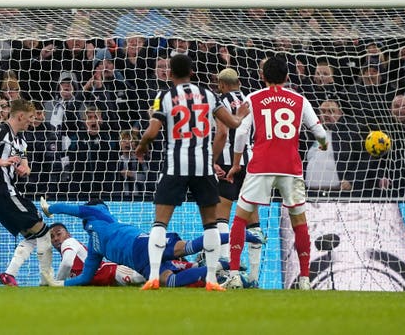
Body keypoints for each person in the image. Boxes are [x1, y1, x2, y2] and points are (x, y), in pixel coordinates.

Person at [134, 54, 250, 291]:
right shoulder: (209, 95)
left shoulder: (163, 97)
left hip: (175, 166)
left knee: (160, 223)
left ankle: (154, 277)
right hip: (203, 167)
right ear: (192, 72)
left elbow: (152, 130)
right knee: (210, 224)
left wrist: (142, 145)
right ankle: (210, 280)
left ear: (170, 74)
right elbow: (232, 125)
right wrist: (242, 114)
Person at [222, 56, 328, 290]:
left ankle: (234, 274)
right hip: (290, 167)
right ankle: (304, 279)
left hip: (261, 165)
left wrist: (237, 163)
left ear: (263, 76)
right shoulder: (300, 100)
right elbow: (319, 132)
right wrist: (323, 144)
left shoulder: (253, 98)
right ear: (287, 76)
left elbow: (240, 135)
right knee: (298, 220)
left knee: (241, 217)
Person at [39, 199, 264, 287]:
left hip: (142, 248)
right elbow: (86, 277)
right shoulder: (95, 239)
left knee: (186, 253)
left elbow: (74, 210)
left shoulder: (98, 220)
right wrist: (57, 284)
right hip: (142, 256)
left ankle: (244, 240)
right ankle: (221, 264)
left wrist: (51, 209)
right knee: (176, 271)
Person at [0, 99, 55, 286]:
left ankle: (9, 275)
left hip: (9, 193)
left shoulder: (20, 139)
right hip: (2, 193)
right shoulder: (2, 131)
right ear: (20, 116)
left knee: (33, 236)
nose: (31, 122)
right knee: (43, 231)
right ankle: (47, 279)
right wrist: (3, 162)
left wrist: (24, 168)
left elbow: (25, 164)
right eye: (30, 118)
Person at [212, 68, 264, 287]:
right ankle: (253, 277)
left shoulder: (219, 102)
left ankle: (224, 270)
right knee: (252, 218)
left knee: (221, 216)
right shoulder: (251, 101)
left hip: (227, 162)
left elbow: (222, 133)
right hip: (251, 162)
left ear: (222, 85)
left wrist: (212, 161)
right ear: (239, 82)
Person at [48, 222, 145, 286]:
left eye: (59, 234)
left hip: (113, 273)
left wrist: (57, 283)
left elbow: (66, 264)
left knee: (149, 278)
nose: (56, 238)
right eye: (52, 236)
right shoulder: (68, 253)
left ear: (68, 235)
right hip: (108, 281)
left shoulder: (68, 242)